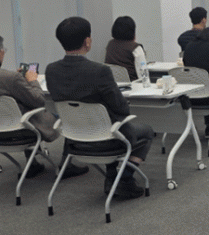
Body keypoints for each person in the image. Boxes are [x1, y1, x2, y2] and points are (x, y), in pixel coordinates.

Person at [46, 17, 155, 199]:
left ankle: (113, 176)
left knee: (108, 122)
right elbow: (121, 108)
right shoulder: (99, 71)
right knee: (146, 131)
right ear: (87, 41)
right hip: (107, 139)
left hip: (74, 139)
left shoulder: (51, 70)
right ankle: (124, 178)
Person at [0, 35, 88, 179]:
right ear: (1, 53)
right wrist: (32, 80)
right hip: (21, 131)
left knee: (21, 113)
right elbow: (39, 100)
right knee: (68, 117)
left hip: (3, 131)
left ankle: (33, 164)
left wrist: (20, 82)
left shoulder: (11, 79)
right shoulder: (11, 78)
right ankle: (66, 165)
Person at [104, 16, 145, 80]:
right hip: (133, 84)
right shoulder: (136, 48)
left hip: (112, 84)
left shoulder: (110, 45)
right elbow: (143, 75)